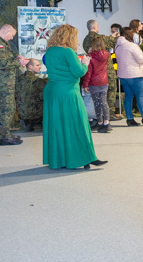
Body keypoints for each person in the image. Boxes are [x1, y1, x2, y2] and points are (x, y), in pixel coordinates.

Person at [42, 24, 107, 170]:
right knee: (78, 125)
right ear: (70, 37)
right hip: (68, 92)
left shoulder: (50, 51)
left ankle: (61, 160)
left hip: (52, 91)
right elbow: (78, 72)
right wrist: (85, 63)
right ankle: (87, 158)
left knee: (58, 126)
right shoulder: (68, 52)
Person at [0, 24, 27, 145]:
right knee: (7, 109)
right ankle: (4, 137)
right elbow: (2, 63)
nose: (12, 38)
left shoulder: (0, 42)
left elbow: (4, 58)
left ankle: (5, 133)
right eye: (12, 35)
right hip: (3, 82)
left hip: (5, 82)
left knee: (8, 108)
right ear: (7, 32)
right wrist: (19, 61)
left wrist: (16, 56)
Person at [115, 27, 143, 127]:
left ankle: (130, 119)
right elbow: (140, 59)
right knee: (140, 96)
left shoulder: (118, 45)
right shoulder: (132, 46)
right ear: (130, 34)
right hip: (135, 74)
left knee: (128, 97)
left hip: (123, 74)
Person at [82, 37, 112, 133]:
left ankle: (100, 123)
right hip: (104, 81)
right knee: (104, 102)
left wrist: (85, 85)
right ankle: (107, 123)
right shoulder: (106, 54)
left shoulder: (90, 57)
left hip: (94, 83)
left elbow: (88, 73)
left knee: (97, 103)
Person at [16, 59, 46, 131]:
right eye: (37, 65)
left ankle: (27, 123)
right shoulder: (38, 81)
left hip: (22, 114)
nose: (40, 67)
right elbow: (48, 94)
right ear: (30, 66)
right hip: (36, 115)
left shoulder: (18, 79)